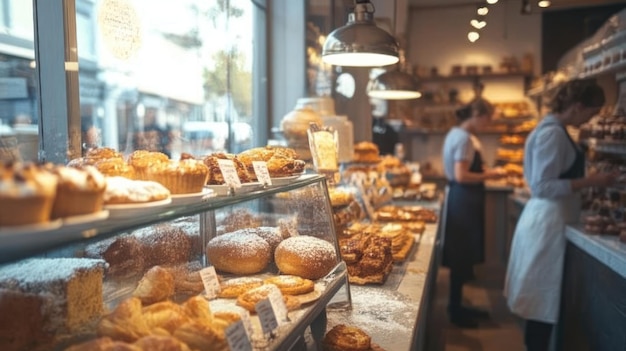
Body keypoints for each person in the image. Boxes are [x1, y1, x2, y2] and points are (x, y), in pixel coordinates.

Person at [504, 79, 617, 351]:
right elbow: (543, 186)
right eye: (592, 111)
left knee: (540, 305)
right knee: (540, 306)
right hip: (547, 223)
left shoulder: (552, 129)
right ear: (577, 107)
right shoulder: (552, 134)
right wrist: (593, 181)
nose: (592, 117)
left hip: (548, 221)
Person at [441, 98, 504, 328]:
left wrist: (486, 172)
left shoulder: (456, 134)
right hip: (464, 199)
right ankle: (456, 311)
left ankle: (457, 305)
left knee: (462, 255)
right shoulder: (465, 138)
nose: (487, 124)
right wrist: (491, 175)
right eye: (487, 119)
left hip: (462, 198)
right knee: (461, 256)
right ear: (477, 114)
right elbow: (462, 175)